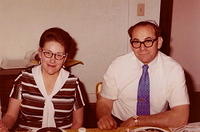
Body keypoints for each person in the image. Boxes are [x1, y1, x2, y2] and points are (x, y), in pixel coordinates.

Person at [96, 20, 189, 129]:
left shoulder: (174, 69)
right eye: (136, 42)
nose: (142, 48)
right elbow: (104, 101)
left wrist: (137, 121)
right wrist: (104, 116)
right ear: (131, 44)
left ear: (159, 42)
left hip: (156, 123)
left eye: (148, 41)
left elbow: (181, 116)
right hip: (120, 123)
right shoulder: (118, 65)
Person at [1, 27, 85, 131]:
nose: (52, 60)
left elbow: (78, 122)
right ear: (40, 53)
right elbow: (11, 116)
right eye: (48, 53)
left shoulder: (73, 83)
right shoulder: (23, 79)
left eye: (59, 55)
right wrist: (4, 125)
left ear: (65, 58)